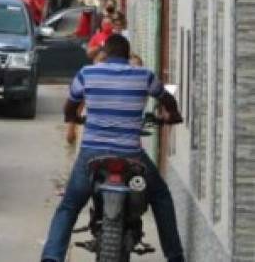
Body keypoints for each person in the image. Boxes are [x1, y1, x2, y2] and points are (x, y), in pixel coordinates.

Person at [41, 35, 184, 262]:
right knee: (160, 196)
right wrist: (173, 115)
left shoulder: (87, 73)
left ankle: (52, 256)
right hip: (131, 154)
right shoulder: (144, 76)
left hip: (92, 154)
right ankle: (175, 257)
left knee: (69, 206)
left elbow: (69, 106)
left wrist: (74, 118)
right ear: (127, 56)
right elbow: (166, 99)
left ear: (105, 53)